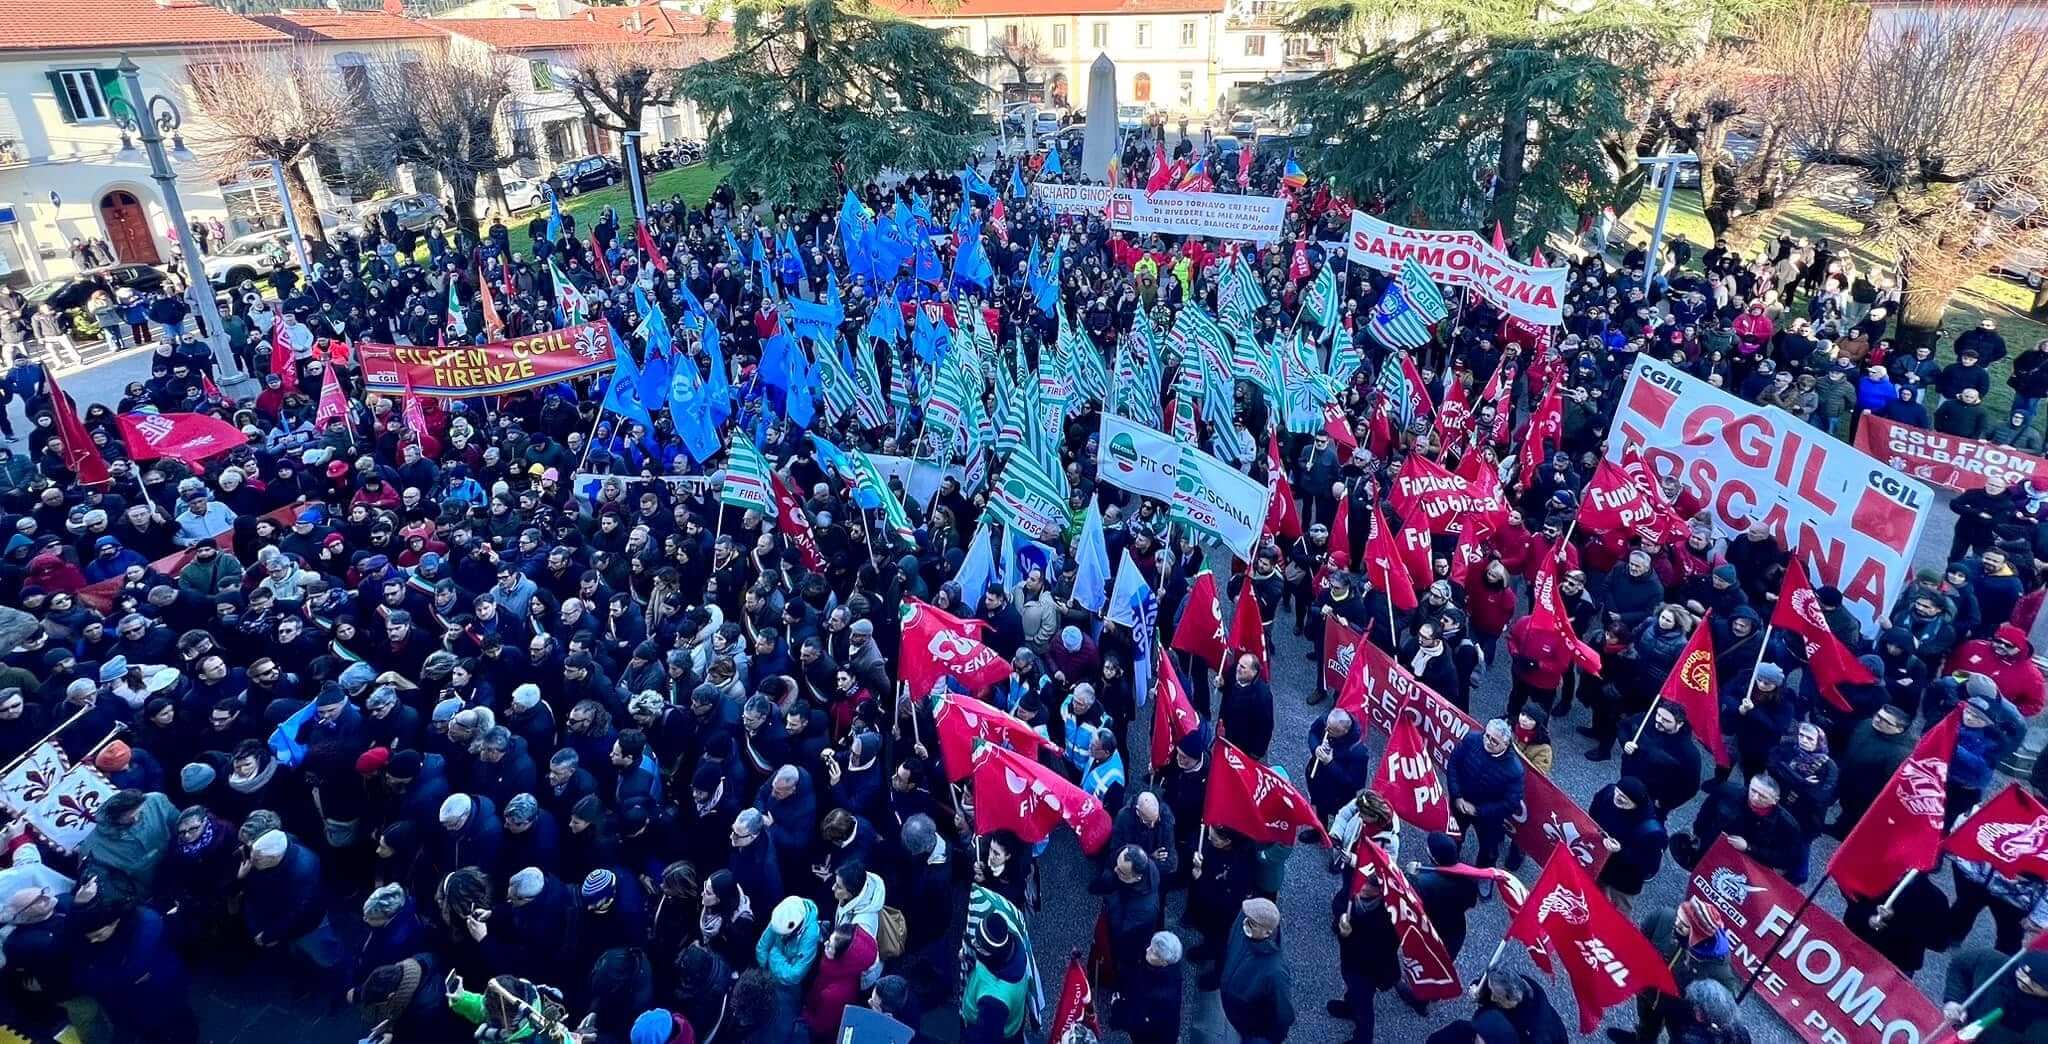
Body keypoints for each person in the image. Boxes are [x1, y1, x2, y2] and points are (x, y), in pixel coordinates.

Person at [1220, 897, 1294, 1044]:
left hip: (1250, 1021)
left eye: (1251, 923)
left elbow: (1284, 1013)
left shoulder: (1276, 971)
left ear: (1267, 932)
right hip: (1236, 1008)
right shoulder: (1246, 920)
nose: (1244, 924)